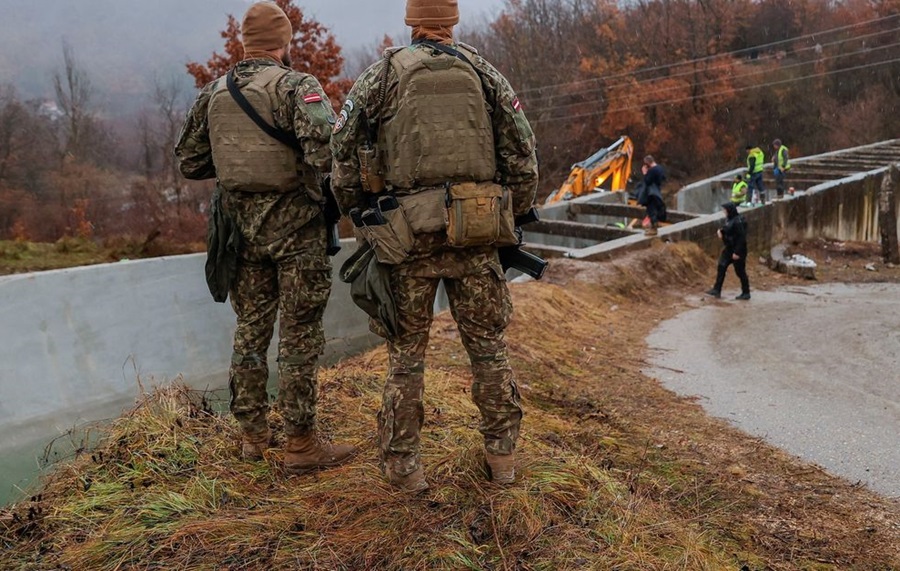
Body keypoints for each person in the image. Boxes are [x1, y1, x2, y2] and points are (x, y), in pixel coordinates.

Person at [331, 0, 538, 491]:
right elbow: (522, 155)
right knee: (488, 350)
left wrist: (365, 218)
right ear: (452, 21)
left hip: (407, 242)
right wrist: (509, 213)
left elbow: (341, 154)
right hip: (477, 235)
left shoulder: (379, 77)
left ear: (412, 23)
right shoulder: (486, 74)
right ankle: (502, 459)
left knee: (406, 358)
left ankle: (405, 468)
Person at [174, 1, 355, 473]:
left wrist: (240, 167)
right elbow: (327, 153)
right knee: (299, 335)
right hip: (297, 231)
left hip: (240, 233)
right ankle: (300, 444)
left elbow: (190, 162)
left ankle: (252, 436)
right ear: (284, 42)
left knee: (250, 331)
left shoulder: (215, 91)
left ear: (244, 42)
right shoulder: (298, 87)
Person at [706, 202, 751, 300]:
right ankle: (717, 289)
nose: (723, 212)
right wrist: (722, 233)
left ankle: (746, 292)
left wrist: (737, 252)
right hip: (729, 248)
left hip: (738, 250)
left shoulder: (738, 222)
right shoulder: (730, 220)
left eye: (725, 210)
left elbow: (741, 238)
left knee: (740, 271)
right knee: (721, 266)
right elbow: (728, 230)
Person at [639, 155, 666, 236]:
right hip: (657, 192)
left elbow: (647, 181)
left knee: (651, 210)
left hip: (651, 194)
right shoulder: (660, 168)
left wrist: (645, 173)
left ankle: (653, 229)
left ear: (647, 163)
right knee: (655, 209)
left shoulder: (652, 171)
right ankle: (653, 227)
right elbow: (663, 178)